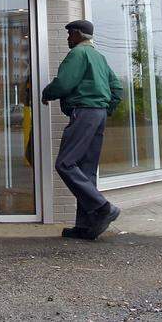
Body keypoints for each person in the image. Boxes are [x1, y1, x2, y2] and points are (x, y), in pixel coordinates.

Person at [41, 19, 124, 240]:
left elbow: (64, 83)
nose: (68, 39)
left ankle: (104, 208)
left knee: (65, 163)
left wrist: (47, 93)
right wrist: (105, 109)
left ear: (79, 34)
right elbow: (117, 88)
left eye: (70, 34)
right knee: (86, 171)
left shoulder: (78, 54)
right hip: (98, 115)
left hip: (84, 113)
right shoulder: (99, 57)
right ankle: (86, 225)